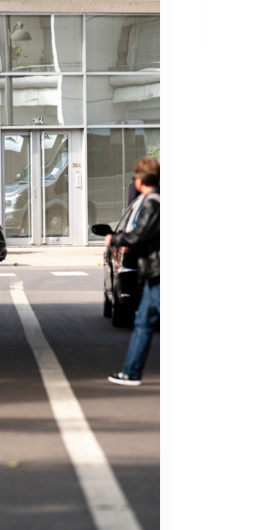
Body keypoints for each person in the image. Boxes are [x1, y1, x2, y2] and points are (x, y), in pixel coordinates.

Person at [107, 157, 160, 386]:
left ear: (139, 180)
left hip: (158, 273)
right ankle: (131, 372)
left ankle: (131, 372)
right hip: (154, 273)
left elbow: (140, 234)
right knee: (143, 324)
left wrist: (114, 238)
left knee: (143, 324)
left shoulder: (152, 202)